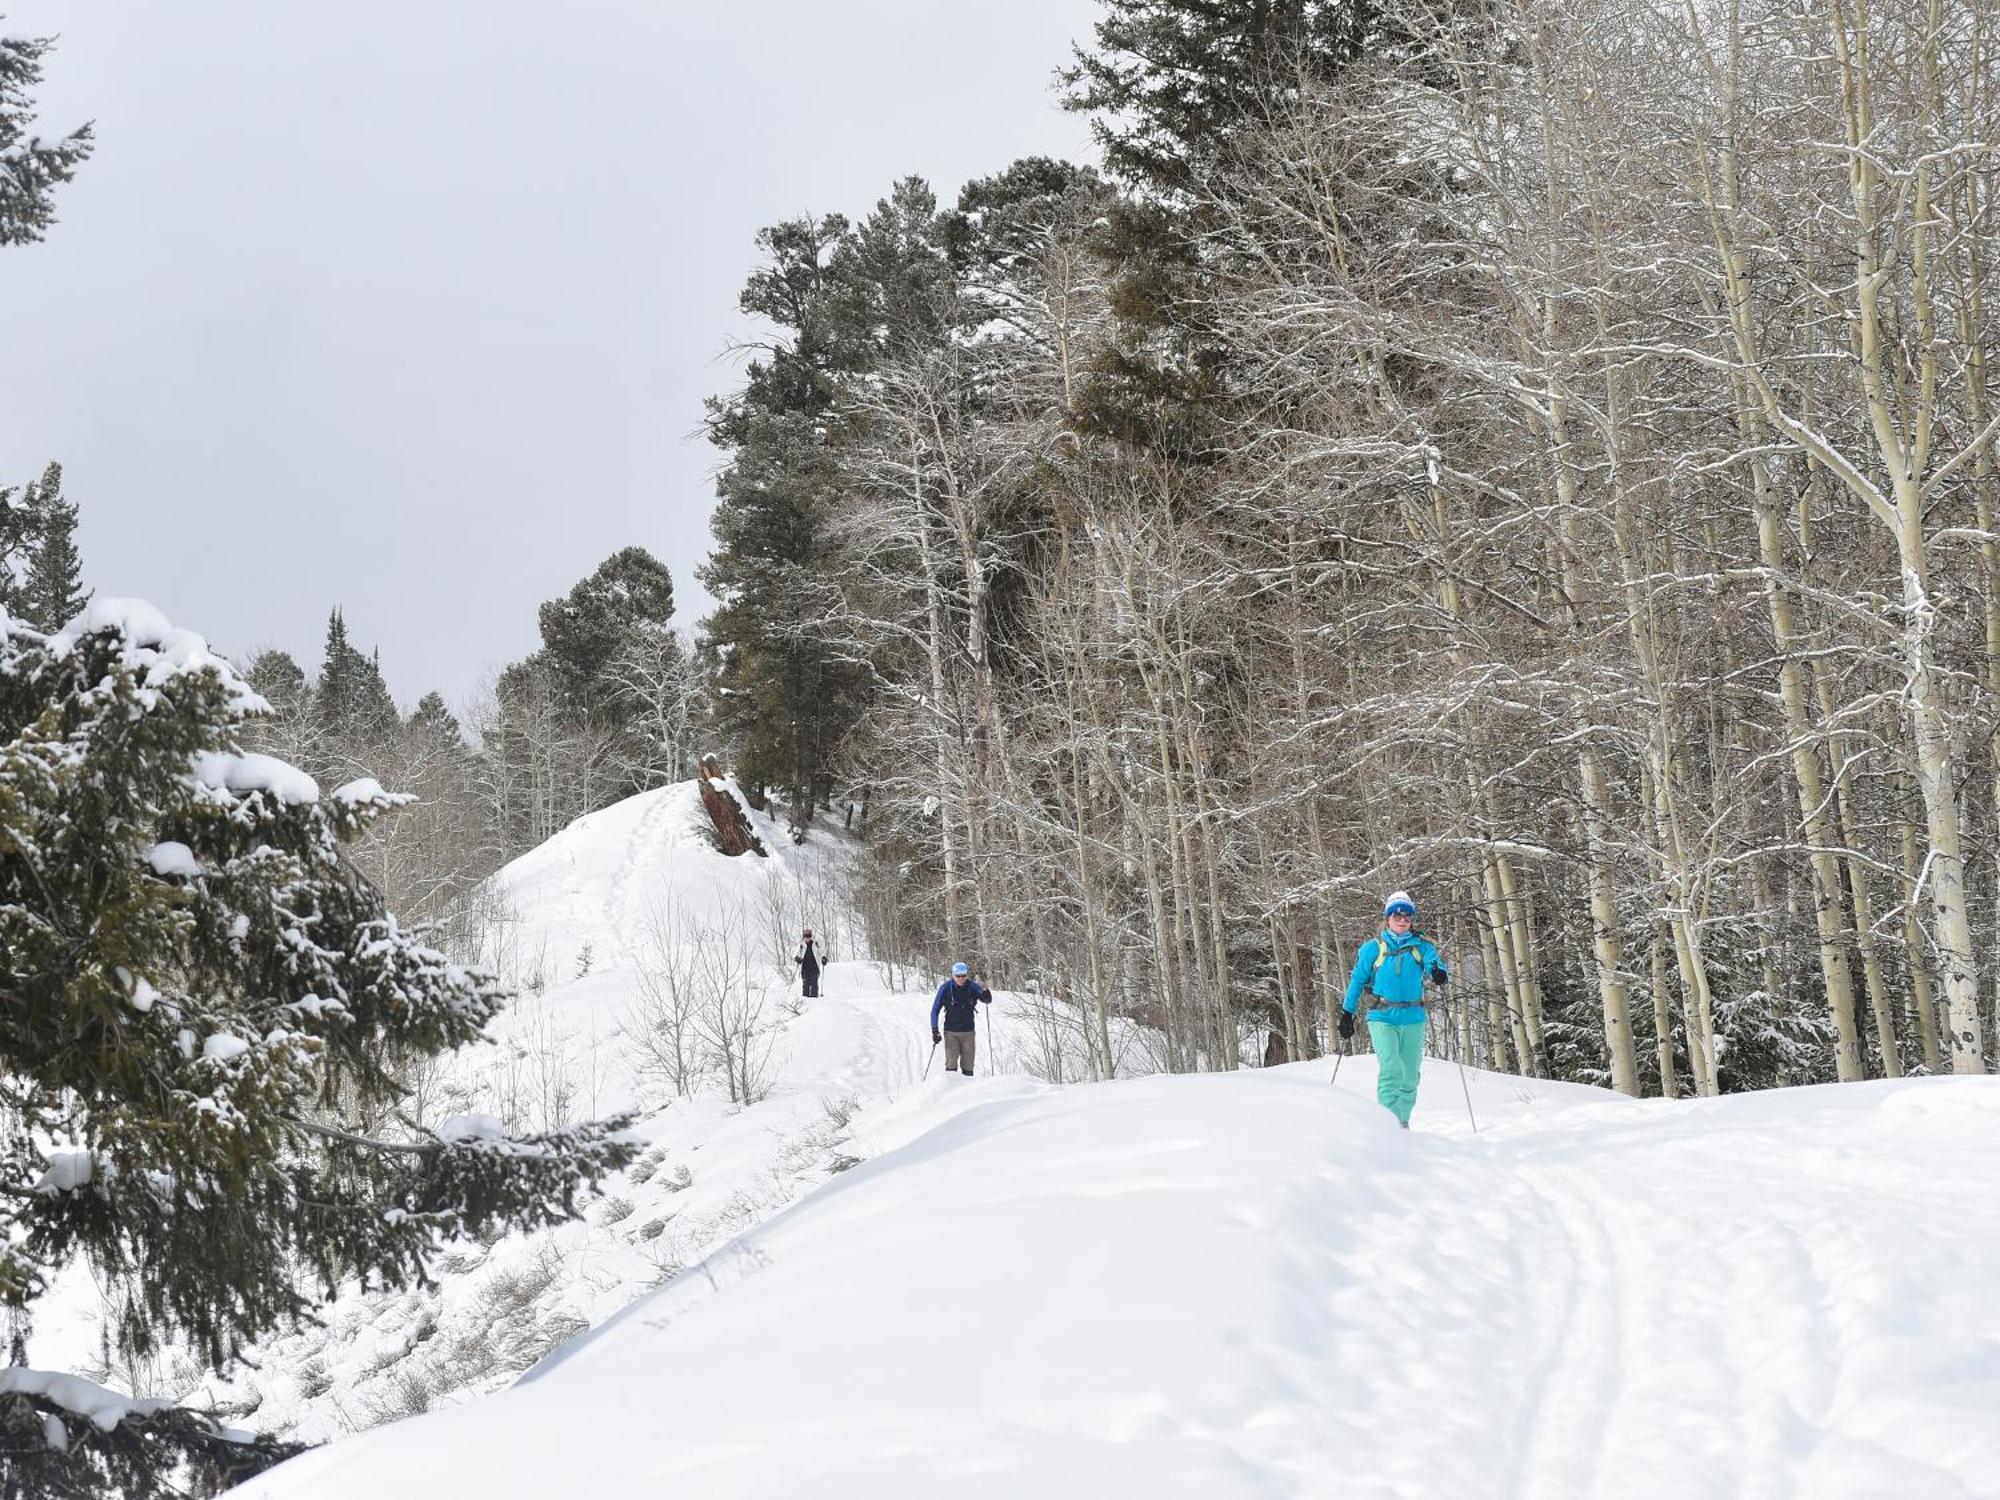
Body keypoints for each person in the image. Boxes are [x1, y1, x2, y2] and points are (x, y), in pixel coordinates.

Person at [1339, 891, 1448, 1129]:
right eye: (1397, 915)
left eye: (1407, 917)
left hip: (1413, 1018)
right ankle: (1387, 1127)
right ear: (1388, 917)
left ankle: (1402, 1122)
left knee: (1410, 1075)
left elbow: (1435, 963)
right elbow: (1358, 980)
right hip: (1382, 1016)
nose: (1402, 920)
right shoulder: (1372, 949)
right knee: (1391, 1069)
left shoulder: (1421, 947)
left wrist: (1439, 972)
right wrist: (1347, 1013)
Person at [929, 961, 991, 1077]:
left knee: (968, 1068)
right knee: (951, 1067)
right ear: (953, 975)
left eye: (963, 976)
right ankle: (951, 1093)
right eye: (958, 976)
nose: (961, 979)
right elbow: (935, 1010)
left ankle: (967, 1093)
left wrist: (986, 993)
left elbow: (986, 1000)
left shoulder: (972, 986)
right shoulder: (946, 988)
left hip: (968, 1033)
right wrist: (934, 1030)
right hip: (951, 1033)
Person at [795, 928, 823, 999]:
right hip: (805, 969)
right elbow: (795, 954)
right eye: (806, 936)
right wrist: (797, 958)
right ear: (804, 937)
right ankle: (805, 1002)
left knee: (814, 986)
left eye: (809, 936)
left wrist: (824, 958)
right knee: (805, 986)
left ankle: (815, 1002)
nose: (808, 938)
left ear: (811, 936)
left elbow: (822, 952)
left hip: (814, 968)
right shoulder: (801, 945)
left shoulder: (816, 944)